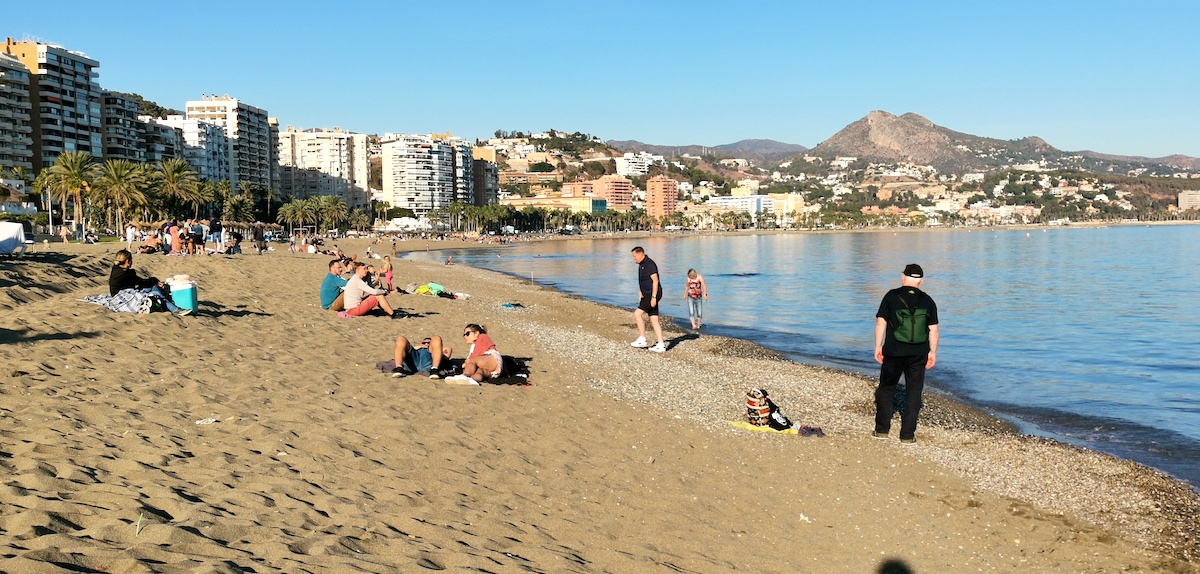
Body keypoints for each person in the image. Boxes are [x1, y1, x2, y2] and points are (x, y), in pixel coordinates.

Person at [873, 263, 940, 444]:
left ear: (903, 277)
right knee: (914, 392)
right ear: (921, 281)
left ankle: (882, 430)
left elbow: (881, 323)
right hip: (919, 353)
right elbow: (933, 330)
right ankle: (907, 435)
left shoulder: (891, 296)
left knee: (887, 389)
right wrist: (933, 352)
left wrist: (878, 346)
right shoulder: (928, 300)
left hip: (894, 352)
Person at [108, 249, 189, 316]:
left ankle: (169, 306)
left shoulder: (116, 269)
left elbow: (139, 282)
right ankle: (174, 309)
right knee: (154, 292)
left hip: (120, 293)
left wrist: (154, 281)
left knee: (153, 287)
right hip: (123, 296)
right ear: (128, 261)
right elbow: (141, 282)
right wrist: (155, 280)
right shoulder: (126, 274)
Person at [629, 246, 666, 352]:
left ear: (641, 254)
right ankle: (661, 344)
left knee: (637, 314)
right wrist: (641, 291)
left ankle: (642, 339)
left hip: (652, 294)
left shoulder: (649, 264)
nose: (633, 258)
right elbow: (644, 280)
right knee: (654, 319)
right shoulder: (641, 265)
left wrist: (654, 297)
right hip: (647, 293)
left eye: (634, 256)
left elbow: (655, 280)